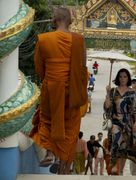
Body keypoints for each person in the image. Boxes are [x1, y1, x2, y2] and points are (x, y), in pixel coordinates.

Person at [29, 7, 87, 174]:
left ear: (54, 20)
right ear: (70, 21)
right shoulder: (78, 40)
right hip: (73, 91)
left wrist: (53, 80)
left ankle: (49, 151)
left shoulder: (44, 39)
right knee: (70, 126)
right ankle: (64, 165)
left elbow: (39, 68)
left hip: (51, 88)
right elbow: (82, 68)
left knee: (47, 120)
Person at [103, 68, 136, 175]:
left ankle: (120, 171)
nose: (122, 79)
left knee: (124, 148)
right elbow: (107, 107)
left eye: (125, 76)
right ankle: (114, 165)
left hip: (127, 122)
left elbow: (134, 109)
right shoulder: (113, 91)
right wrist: (107, 93)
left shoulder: (132, 92)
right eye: (120, 76)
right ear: (117, 78)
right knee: (116, 139)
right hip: (115, 121)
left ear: (128, 78)